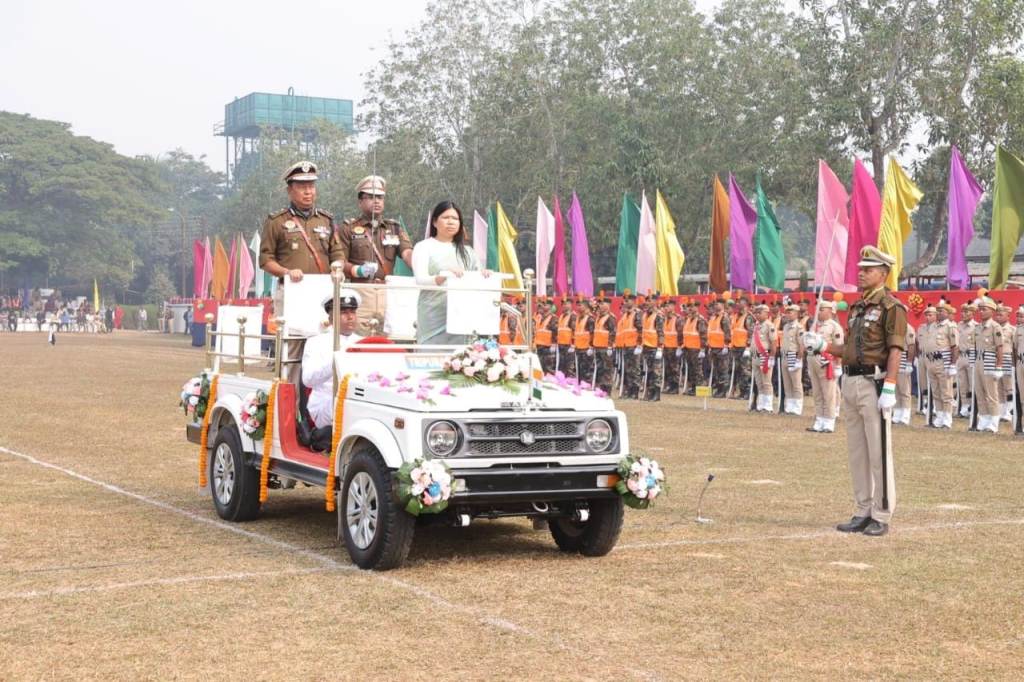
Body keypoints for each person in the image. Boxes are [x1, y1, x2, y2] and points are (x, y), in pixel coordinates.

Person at [804, 246, 907, 537]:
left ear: (884, 274)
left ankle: (882, 513)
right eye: (861, 269)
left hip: (875, 383)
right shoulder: (858, 307)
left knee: (879, 452)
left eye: (868, 270)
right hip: (850, 381)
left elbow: (896, 349)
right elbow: (849, 349)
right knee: (858, 452)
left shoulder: (892, 307)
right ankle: (863, 509)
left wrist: (890, 386)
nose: (861, 274)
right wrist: (822, 346)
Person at [258, 161, 344, 384]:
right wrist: (286, 271)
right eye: (302, 186)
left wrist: (338, 270)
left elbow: (337, 253)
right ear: (290, 189)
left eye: (311, 186)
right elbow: (265, 260)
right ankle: (289, 408)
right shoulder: (276, 222)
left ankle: (316, 410)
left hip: (323, 297)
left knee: (324, 348)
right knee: (291, 354)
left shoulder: (326, 220)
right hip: (291, 294)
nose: (308, 191)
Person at [336, 176, 413, 335]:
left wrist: (420, 265)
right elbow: (338, 261)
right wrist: (357, 270)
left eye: (380, 197)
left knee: (388, 339)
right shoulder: (348, 228)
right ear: (360, 201)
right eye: (370, 197)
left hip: (388, 292)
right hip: (361, 291)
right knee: (361, 338)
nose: (376, 201)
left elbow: (407, 253)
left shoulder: (394, 228)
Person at [411, 201, 489, 345]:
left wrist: (485, 275)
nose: (451, 222)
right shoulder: (423, 247)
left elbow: (476, 279)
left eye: (455, 219)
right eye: (446, 218)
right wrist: (443, 275)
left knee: (461, 360)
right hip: (433, 314)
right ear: (435, 222)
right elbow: (420, 280)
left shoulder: (468, 252)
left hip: (462, 315)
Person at [302, 290, 363, 451]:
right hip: (325, 401)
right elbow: (307, 379)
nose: (350, 317)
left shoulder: (362, 342)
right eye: (344, 312)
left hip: (360, 397)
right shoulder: (316, 342)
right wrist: (336, 360)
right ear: (331, 318)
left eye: (352, 312)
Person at [807, 300, 844, 432]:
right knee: (817, 393)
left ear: (830, 311)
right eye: (818, 309)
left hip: (827, 361)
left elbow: (839, 347)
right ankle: (819, 419)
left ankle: (829, 420)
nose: (819, 312)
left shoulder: (834, 326)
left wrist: (838, 366)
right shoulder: (814, 326)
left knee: (828, 392)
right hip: (813, 359)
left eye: (822, 309)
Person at [928, 303, 959, 428]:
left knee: (946, 392)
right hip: (932, 361)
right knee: (936, 391)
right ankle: (939, 416)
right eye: (938, 311)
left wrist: (952, 364)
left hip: (943, 362)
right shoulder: (933, 326)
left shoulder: (950, 327)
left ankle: (947, 418)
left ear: (947, 313)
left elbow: (955, 347)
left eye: (942, 311)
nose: (939, 313)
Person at [749, 303, 777, 412]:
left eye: (759, 313)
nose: (757, 315)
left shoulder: (769, 325)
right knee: (759, 382)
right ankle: (761, 405)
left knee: (766, 382)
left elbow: (774, 342)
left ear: (766, 313)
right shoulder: (757, 325)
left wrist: (771, 358)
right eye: (756, 313)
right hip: (755, 356)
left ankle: (768, 406)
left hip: (765, 355)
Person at [616, 291, 642, 399]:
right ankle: (628, 390)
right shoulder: (626, 314)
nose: (626, 302)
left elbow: (640, 330)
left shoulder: (637, 313)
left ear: (633, 301)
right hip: (625, 345)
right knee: (627, 369)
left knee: (634, 369)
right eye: (625, 300)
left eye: (628, 300)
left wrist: (639, 345)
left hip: (634, 345)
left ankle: (634, 392)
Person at [639, 295, 665, 401]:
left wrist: (660, 347)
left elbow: (660, 333)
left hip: (655, 347)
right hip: (646, 346)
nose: (647, 303)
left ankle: (656, 394)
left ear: (655, 302)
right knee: (649, 371)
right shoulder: (645, 315)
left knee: (656, 371)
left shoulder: (658, 315)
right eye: (646, 301)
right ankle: (649, 393)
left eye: (649, 301)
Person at [781, 304, 805, 415]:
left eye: (790, 312)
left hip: (793, 355)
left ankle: (797, 407)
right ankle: (789, 406)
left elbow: (801, 344)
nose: (788, 314)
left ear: (796, 313)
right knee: (787, 382)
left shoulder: (799, 327)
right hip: (785, 355)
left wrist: (799, 359)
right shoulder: (786, 326)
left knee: (796, 382)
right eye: (787, 312)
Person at [729, 297, 754, 399]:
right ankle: (740, 391)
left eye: (740, 303)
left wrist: (748, 347)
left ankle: (747, 392)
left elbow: (751, 333)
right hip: (735, 347)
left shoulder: (748, 317)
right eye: (737, 303)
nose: (738, 305)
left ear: (745, 305)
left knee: (745, 371)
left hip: (744, 348)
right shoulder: (735, 316)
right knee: (737, 370)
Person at [706, 299, 732, 397]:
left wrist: (726, 345)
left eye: (718, 304)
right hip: (713, 347)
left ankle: (723, 390)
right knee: (716, 369)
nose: (716, 305)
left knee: (723, 370)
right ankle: (718, 388)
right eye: (715, 304)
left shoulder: (724, 317)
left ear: (723, 305)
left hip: (722, 348)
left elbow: (727, 333)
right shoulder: (713, 317)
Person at [591, 295, 616, 394]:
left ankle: (607, 389)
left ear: (608, 305)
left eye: (602, 304)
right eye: (599, 304)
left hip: (606, 348)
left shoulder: (610, 318)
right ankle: (600, 387)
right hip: (598, 346)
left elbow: (612, 333)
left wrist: (610, 346)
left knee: (607, 369)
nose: (600, 306)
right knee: (600, 369)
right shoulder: (598, 317)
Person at [893, 321, 917, 426]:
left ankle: (905, 415)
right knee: (896, 390)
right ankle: (897, 414)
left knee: (904, 390)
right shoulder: (893, 326)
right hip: (894, 358)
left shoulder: (908, 327)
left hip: (903, 357)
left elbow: (911, 346)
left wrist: (909, 363)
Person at [681, 302, 707, 395]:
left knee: (698, 370)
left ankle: (699, 389)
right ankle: (692, 388)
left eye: (693, 307)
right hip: (688, 348)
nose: (690, 309)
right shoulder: (687, 319)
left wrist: (703, 349)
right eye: (689, 307)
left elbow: (703, 335)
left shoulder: (700, 320)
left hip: (697, 349)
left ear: (697, 307)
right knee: (691, 369)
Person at [957, 303, 978, 417]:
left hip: (971, 357)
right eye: (962, 312)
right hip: (961, 356)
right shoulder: (958, 325)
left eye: (967, 312)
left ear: (972, 313)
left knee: (972, 383)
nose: (964, 314)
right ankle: (965, 407)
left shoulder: (976, 326)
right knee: (962, 384)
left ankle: (973, 407)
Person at [996, 305, 1016, 422]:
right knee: (998, 386)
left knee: (1008, 386)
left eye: (1001, 315)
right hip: (996, 359)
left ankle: (1009, 411)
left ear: (1008, 316)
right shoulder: (994, 329)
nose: (998, 317)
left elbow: (1015, 347)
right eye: (997, 315)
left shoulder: (1012, 330)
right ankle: (1001, 410)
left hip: (1008, 358)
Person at [661, 298, 682, 394]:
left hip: (674, 347)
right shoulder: (664, 318)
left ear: (673, 307)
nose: (666, 308)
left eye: (668, 306)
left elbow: (680, 334)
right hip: (666, 347)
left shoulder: (677, 318)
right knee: (668, 368)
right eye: (665, 306)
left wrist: (679, 346)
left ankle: (675, 386)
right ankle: (670, 385)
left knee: (674, 368)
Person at [534, 298, 558, 374]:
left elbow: (556, 332)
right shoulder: (539, 317)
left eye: (545, 304)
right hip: (538, 345)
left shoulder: (553, 318)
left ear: (550, 307)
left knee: (547, 367)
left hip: (547, 346)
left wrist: (554, 345)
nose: (543, 306)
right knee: (538, 366)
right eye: (543, 305)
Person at [555, 298, 577, 377]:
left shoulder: (573, 316)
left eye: (567, 303)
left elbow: (575, 331)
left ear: (571, 305)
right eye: (563, 304)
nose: (564, 305)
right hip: (561, 345)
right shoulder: (561, 316)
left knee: (569, 368)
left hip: (569, 346)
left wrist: (573, 345)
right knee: (561, 367)